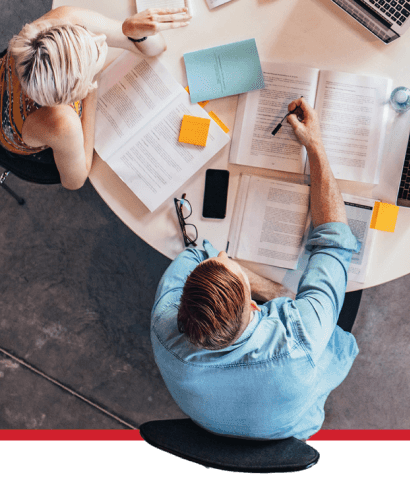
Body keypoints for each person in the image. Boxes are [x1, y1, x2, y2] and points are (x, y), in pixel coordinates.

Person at [150, 98, 361, 440]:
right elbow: (334, 241)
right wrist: (315, 146)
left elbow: (193, 256)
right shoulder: (300, 340)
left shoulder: (164, 323)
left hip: (212, 423)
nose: (221, 256)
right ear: (253, 305)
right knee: (352, 288)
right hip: (289, 431)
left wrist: (266, 288)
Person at [0, 4, 190, 190]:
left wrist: (133, 33)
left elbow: (156, 48)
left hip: (7, 79)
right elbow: (75, 181)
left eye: (85, 35)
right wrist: (92, 90)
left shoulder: (64, 20)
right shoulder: (62, 122)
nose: (101, 39)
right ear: (77, 92)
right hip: (13, 133)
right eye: (94, 54)